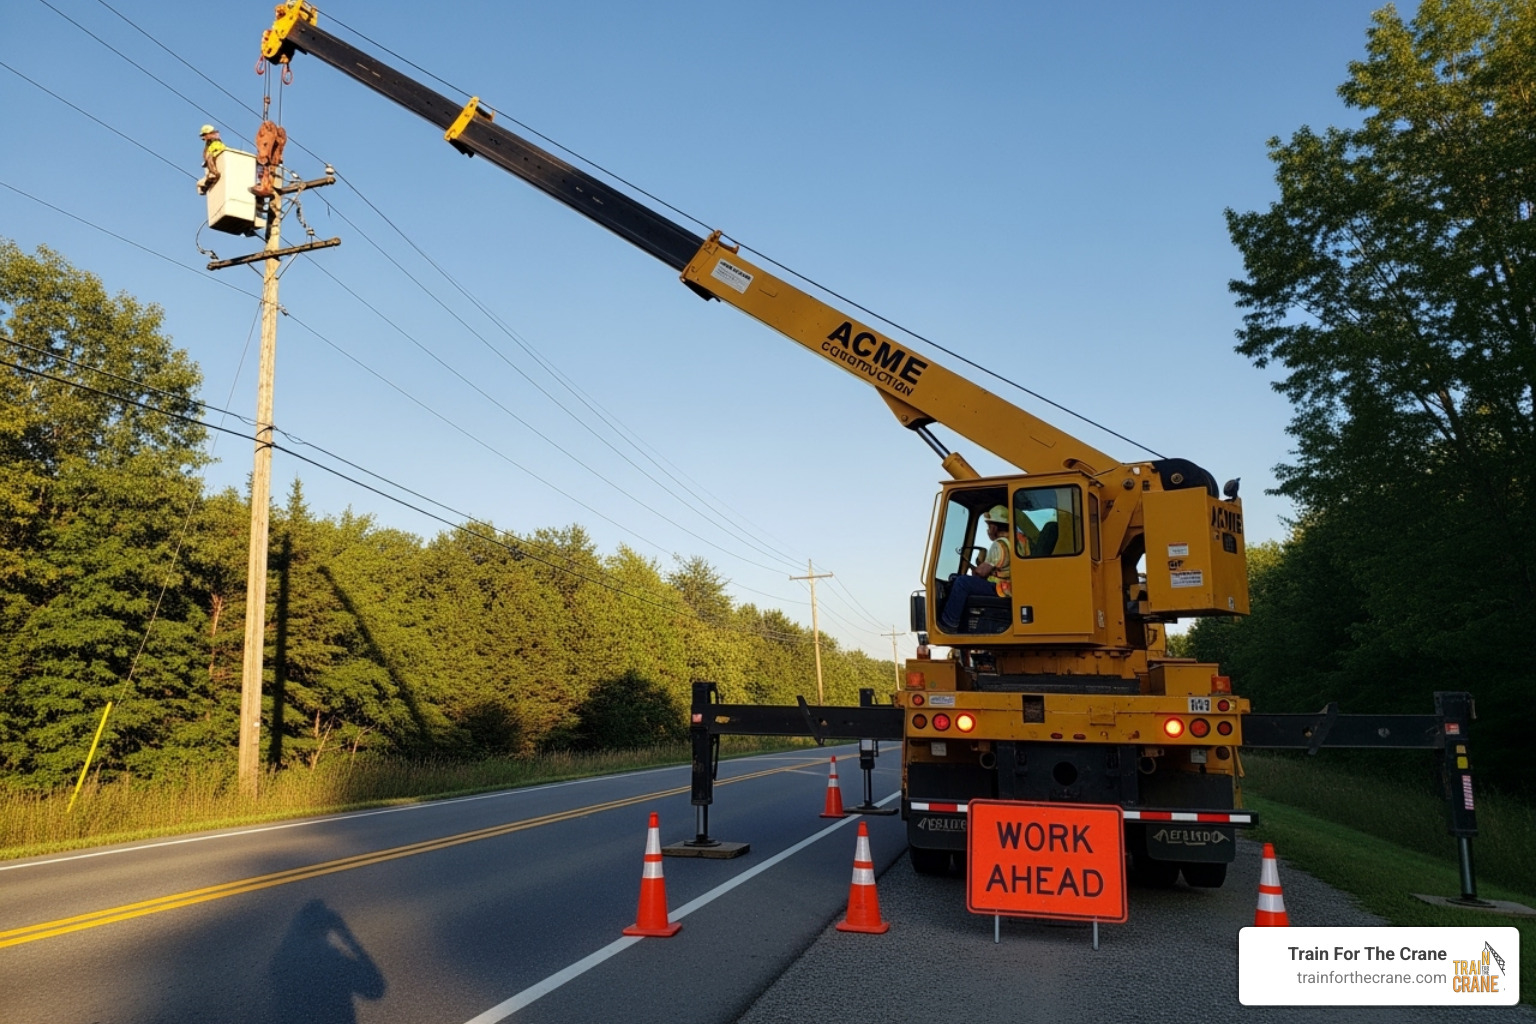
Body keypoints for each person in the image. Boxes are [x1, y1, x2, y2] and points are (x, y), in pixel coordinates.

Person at [939, 504, 1012, 632]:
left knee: (961, 582)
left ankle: (949, 623)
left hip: (1001, 588)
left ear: (994, 527)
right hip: (1011, 586)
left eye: (989, 526)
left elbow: (980, 573)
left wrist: (976, 566)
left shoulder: (999, 545)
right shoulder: (1017, 542)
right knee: (960, 579)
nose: (988, 530)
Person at [198, 125, 225, 195]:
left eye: (204, 135)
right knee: (199, 183)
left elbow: (220, 149)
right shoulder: (208, 144)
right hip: (210, 163)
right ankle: (205, 185)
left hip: (214, 159)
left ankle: (213, 174)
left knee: (209, 157)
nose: (204, 138)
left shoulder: (216, 141)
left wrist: (212, 155)